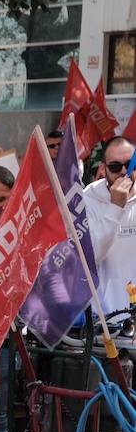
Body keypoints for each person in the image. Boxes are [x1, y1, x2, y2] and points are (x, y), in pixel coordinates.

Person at [83, 136, 136, 321]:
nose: (124, 172)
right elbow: (93, 254)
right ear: (103, 169)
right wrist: (115, 207)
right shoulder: (87, 199)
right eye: (115, 167)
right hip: (105, 319)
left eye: (130, 165)